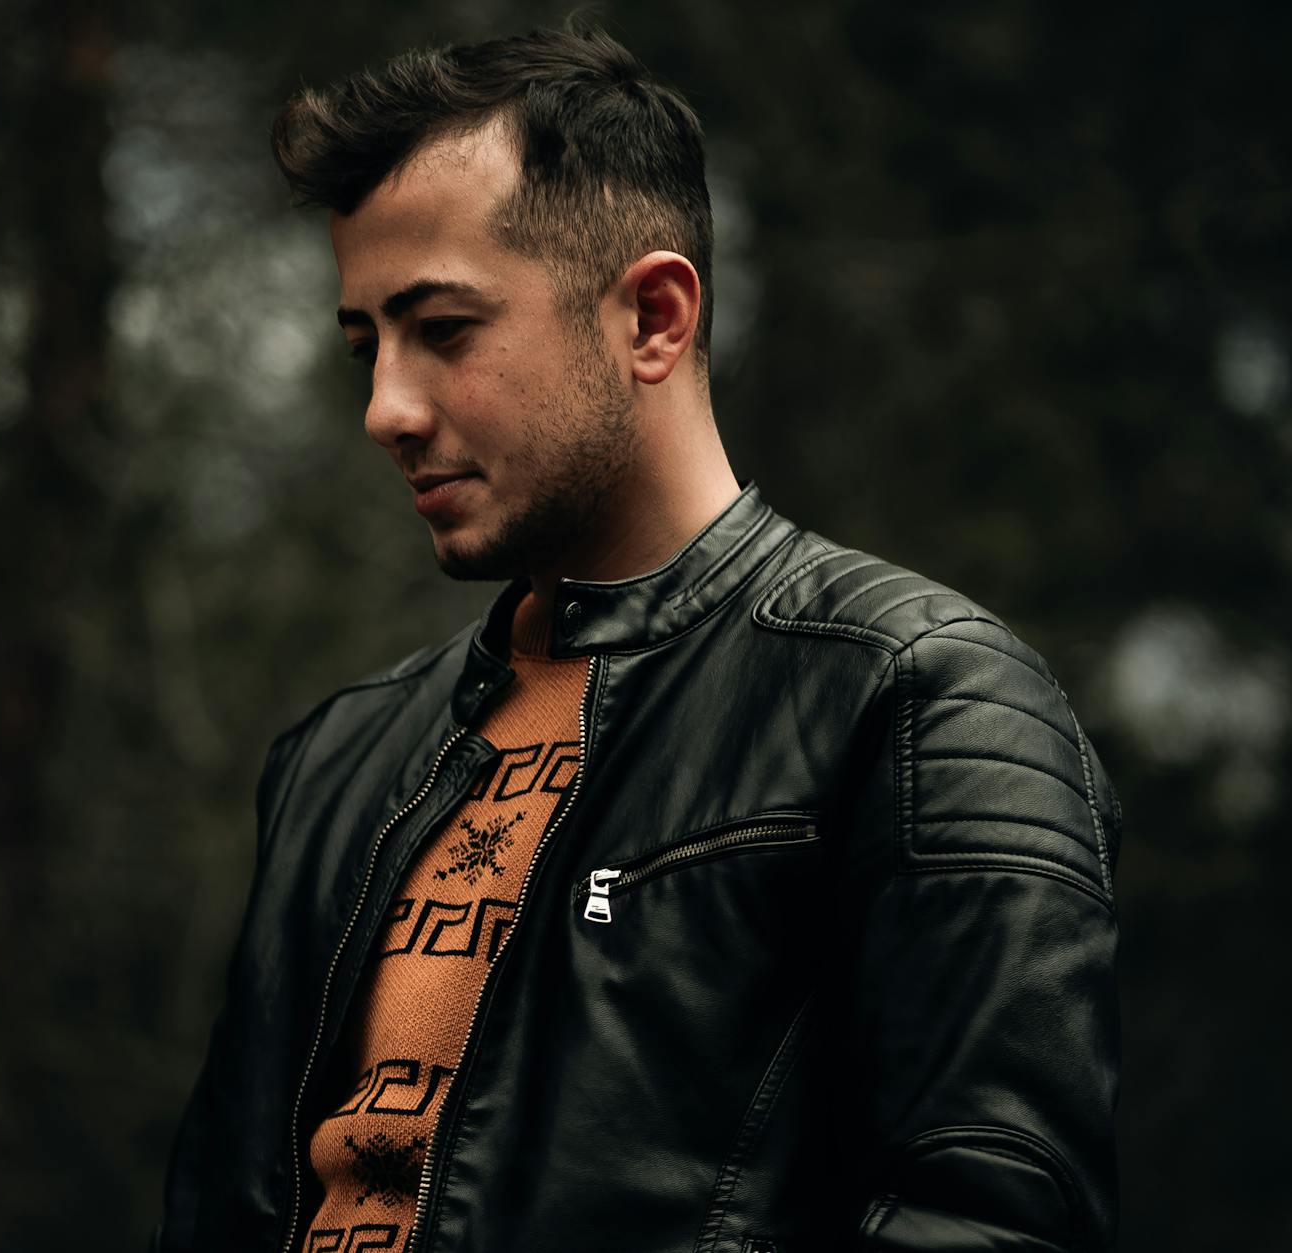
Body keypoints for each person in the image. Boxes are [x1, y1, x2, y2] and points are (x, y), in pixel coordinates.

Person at [154, 22, 1122, 1253]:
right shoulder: (334, 761)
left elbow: (992, 1216)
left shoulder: (916, 698)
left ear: (653, 317)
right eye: (365, 347)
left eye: (441, 328)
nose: (384, 409)